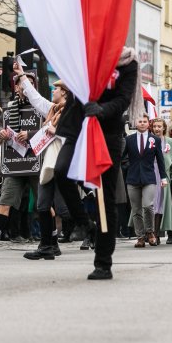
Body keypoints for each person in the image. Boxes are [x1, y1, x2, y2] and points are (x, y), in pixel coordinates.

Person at [54, 47, 140, 280]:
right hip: (78, 127)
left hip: (107, 132)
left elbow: (124, 98)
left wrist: (101, 110)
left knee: (105, 196)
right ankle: (85, 224)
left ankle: (103, 262)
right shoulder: (84, 51)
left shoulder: (128, 61)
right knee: (61, 171)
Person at [0, 65, 42, 259]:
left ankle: (50, 241)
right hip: (14, 163)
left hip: (35, 161)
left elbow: (51, 129)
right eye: (18, 84)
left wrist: (30, 134)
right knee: (5, 201)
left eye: (23, 84)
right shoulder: (10, 108)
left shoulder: (41, 105)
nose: (20, 87)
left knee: (43, 203)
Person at [23, 79, 72, 260]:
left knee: (65, 209)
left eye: (56, 89)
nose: (53, 91)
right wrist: (22, 77)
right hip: (48, 165)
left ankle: (92, 231)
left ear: (65, 92)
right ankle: (47, 246)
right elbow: (36, 99)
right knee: (43, 205)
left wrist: (55, 131)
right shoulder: (53, 109)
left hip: (62, 165)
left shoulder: (72, 113)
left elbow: (74, 137)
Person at [125, 114, 169, 247]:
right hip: (132, 178)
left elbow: (160, 160)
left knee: (148, 206)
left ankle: (150, 232)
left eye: (145, 121)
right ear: (135, 123)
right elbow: (121, 156)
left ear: (148, 124)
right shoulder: (129, 139)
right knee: (136, 209)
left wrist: (163, 177)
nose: (142, 123)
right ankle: (140, 237)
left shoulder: (154, 139)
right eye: (140, 121)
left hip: (149, 178)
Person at [150, 118, 172, 245]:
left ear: (164, 128)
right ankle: (148, 232)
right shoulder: (147, 141)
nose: (157, 128)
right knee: (148, 205)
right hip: (149, 175)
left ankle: (156, 234)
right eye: (155, 126)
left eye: (159, 126)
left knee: (160, 206)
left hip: (163, 177)